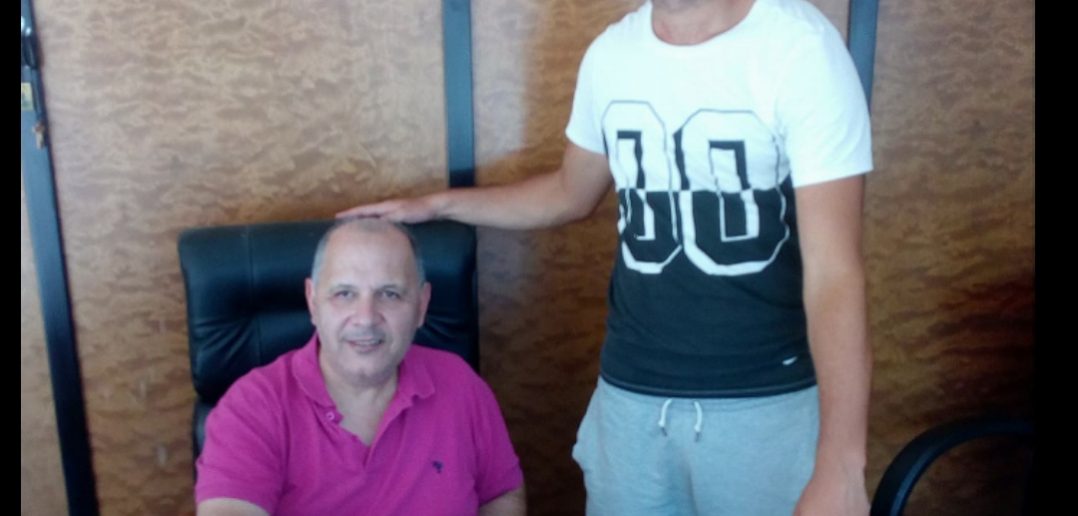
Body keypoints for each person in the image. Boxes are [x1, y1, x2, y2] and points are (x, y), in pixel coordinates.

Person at [340, 0, 872, 513]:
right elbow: (570, 193)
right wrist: (438, 205)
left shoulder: (800, 50)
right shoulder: (612, 55)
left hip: (764, 404)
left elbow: (835, 275)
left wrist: (842, 467)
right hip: (630, 398)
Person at [195, 218, 526, 515]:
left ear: (422, 305)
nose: (366, 318)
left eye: (390, 294)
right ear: (313, 301)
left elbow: (501, 493)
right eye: (344, 294)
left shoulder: (461, 385)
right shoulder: (253, 405)